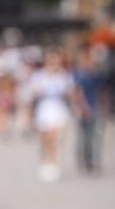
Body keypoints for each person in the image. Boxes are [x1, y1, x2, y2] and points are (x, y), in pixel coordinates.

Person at [28, 47, 75, 182]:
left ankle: (54, 163)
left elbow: (70, 93)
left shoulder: (64, 75)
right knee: (45, 139)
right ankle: (46, 161)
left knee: (53, 137)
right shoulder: (39, 75)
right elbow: (33, 92)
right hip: (43, 109)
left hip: (58, 108)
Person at [72, 45, 108, 173]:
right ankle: (85, 160)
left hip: (96, 107)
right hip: (85, 108)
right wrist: (82, 107)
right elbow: (77, 91)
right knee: (85, 137)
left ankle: (95, 161)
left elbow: (103, 90)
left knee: (96, 136)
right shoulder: (78, 74)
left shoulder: (97, 73)